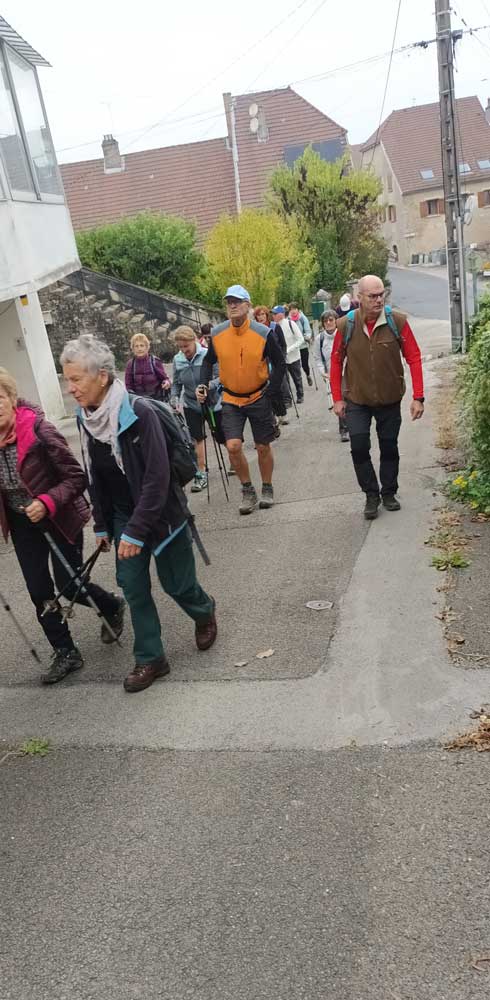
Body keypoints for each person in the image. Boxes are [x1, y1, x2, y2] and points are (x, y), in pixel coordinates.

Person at [62, 334, 217, 694]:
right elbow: (95, 475)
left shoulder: (139, 413)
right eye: (68, 379)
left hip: (162, 514)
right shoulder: (86, 419)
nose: (71, 388)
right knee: (132, 586)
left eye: (76, 379)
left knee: (177, 585)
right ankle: (151, 657)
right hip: (122, 515)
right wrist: (102, 525)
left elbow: (158, 478)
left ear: (102, 376)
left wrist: (136, 530)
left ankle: (204, 610)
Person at [0, 368, 125, 684]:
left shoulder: (39, 430)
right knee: (38, 589)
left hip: (58, 517)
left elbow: (76, 478)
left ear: (11, 397)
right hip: (22, 523)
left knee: (69, 584)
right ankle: (66, 652)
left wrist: (46, 502)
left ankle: (111, 605)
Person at [330, 274, 425, 520]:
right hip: (357, 398)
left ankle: (389, 492)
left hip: (389, 398)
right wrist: (337, 398)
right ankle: (371, 494)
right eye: (372, 296)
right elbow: (336, 361)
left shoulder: (397, 322)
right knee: (359, 446)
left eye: (381, 294)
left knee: (389, 446)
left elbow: (414, 357)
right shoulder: (346, 325)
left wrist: (418, 397)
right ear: (359, 297)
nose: (379, 300)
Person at [199, 285, 286, 515]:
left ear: (248, 305)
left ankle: (267, 487)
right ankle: (248, 490)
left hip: (258, 396)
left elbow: (280, 363)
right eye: (229, 302)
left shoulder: (263, 333)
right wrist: (203, 384)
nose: (232, 306)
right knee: (233, 446)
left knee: (262, 446)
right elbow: (208, 361)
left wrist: (272, 391)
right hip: (230, 398)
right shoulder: (217, 333)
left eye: (237, 301)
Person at [171, 326, 215, 493]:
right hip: (190, 403)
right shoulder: (178, 359)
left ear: (193, 341)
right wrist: (174, 398)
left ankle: (234, 459)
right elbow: (176, 383)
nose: (184, 350)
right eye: (180, 347)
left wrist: (207, 387)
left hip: (211, 402)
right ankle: (201, 473)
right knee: (197, 439)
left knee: (221, 436)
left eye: (186, 346)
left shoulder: (206, 354)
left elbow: (219, 377)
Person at [314, 310, 349, 442]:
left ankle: (354, 423)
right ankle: (344, 430)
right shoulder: (320, 339)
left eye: (331, 320)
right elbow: (317, 358)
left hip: (348, 373)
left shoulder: (343, 334)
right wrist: (323, 372)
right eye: (325, 321)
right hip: (331, 376)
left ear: (336, 321)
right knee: (339, 400)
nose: (328, 323)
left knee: (351, 399)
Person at [254, 306, 290, 427]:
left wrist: (282, 358)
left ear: (267, 315)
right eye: (258, 315)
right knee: (265, 389)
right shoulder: (255, 330)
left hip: (276, 362)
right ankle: (272, 415)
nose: (261, 317)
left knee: (277, 387)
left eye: (263, 314)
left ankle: (282, 414)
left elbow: (283, 344)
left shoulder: (275, 327)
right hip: (263, 363)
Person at [271, 305, 304, 405]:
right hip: (281, 359)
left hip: (293, 357)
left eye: (275, 314)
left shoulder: (290, 323)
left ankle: (300, 395)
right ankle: (288, 400)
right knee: (284, 381)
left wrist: (288, 350)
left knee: (297, 378)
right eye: (272, 314)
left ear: (282, 314)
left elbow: (300, 339)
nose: (273, 316)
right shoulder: (273, 326)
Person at [124, 333, 171, 401]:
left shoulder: (155, 361)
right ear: (133, 349)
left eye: (142, 345)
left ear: (147, 347)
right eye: (136, 346)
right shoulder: (130, 364)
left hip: (156, 400)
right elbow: (128, 386)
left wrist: (166, 382)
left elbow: (165, 379)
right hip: (139, 401)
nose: (139, 349)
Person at [288, 303, 313, 386]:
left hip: (303, 346)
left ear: (298, 310)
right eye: (291, 309)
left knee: (305, 365)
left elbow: (308, 331)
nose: (293, 311)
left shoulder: (303, 318)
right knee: (296, 366)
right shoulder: (288, 320)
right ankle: (299, 383)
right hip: (293, 347)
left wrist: (307, 337)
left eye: (294, 309)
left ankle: (308, 375)